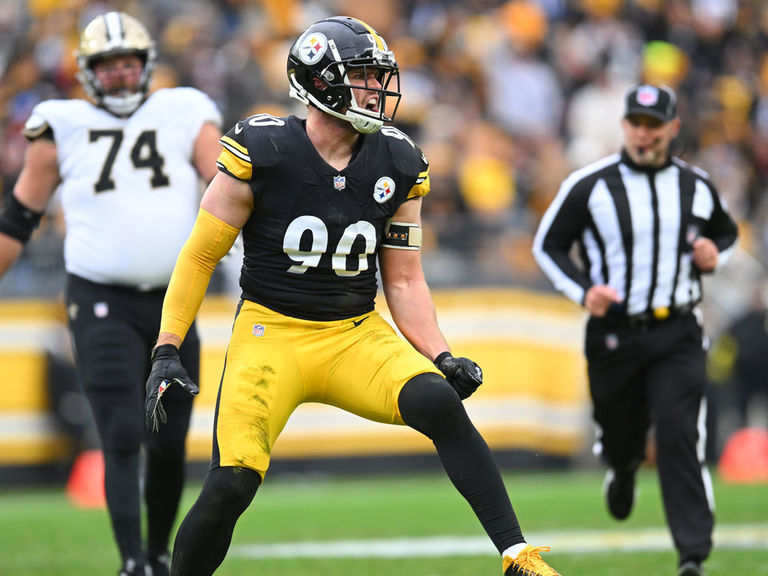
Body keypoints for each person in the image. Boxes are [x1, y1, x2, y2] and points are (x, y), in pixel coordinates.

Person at [144, 16, 562, 576]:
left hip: (354, 332)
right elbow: (199, 256)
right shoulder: (262, 149)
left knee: (438, 400)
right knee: (230, 484)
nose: (376, 89)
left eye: (376, 77)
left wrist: (440, 354)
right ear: (318, 83)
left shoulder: (397, 160)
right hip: (273, 332)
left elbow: (406, 279)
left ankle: (517, 556)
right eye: (362, 76)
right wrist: (167, 347)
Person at [0, 11, 223, 576]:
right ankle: (132, 562)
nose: (121, 75)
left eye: (129, 63)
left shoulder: (185, 111)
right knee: (122, 429)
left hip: (175, 301)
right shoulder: (61, 125)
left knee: (170, 440)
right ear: (88, 72)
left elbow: (228, 190)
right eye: (109, 65)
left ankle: (155, 553)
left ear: (146, 66)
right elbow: (18, 219)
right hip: (99, 297)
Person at [532, 84, 739, 576]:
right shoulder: (590, 185)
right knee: (622, 435)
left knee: (678, 433)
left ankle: (692, 555)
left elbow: (725, 232)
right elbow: (549, 245)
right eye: (636, 124)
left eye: (653, 125)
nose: (644, 134)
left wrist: (716, 253)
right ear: (624, 126)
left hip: (678, 330)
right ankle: (622, 469)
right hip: (615, 334)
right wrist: (584, 290)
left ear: (672, 128)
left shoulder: (695, 185)